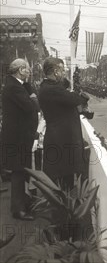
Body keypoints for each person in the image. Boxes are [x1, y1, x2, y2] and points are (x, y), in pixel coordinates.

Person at [38, 57, 88, 189]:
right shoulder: (52, 89)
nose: (64, 73)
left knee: (65, 177)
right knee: (63, 183)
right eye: (62, 70)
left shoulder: (48, 87)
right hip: (61, 141)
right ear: (56, 71)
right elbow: (76, 99)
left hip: (60, 140)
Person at [0, 59, 39, 220]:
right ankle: (18, 209)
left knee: (22, 170)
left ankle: (23, 203)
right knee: (18, 172)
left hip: (20, 137)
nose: (29, 71)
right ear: (20, 70)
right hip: (17, 138)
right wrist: (33, 98)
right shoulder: (14, 87)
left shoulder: (18, 85)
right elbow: (32, 107)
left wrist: (30, 92)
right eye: (27, 69)